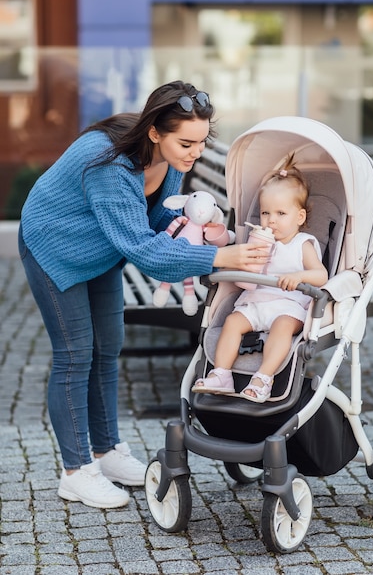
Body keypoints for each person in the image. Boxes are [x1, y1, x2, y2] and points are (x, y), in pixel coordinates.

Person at [18, 80, 271, 508]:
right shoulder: (111, 164)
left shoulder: (171, 160)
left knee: (108, 347)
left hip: (101, 249)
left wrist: (204, 237)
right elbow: (143, 250)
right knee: (76, 354)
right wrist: (221, 258)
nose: (195, 152)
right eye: (186, 142)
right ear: (155, 131)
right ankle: (77, 471)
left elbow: (155, 224)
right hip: (54, 247)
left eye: (202, 141)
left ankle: (107, 451)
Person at [192, 153, 328, 403]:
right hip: (255, 301)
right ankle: (221, 374)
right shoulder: (257, 242)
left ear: (300, 217)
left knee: (283, 327)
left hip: (288, 305)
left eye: (280, 213)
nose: (271, 220)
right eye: (265, 213)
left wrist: (298, 276)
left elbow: (321, 275)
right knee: (232, 322)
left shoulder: (302, 244)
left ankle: (263, 378)